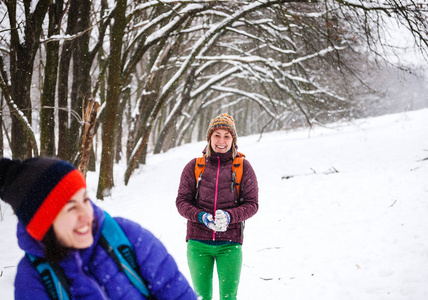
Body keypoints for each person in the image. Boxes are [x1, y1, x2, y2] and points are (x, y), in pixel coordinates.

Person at [0, 156, 197, 299]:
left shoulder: (126, 237)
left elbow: (178, 294)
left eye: (85, 200)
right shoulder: (34, 279)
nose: (87, 215)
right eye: (71, 208)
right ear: (44, 224)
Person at [176, 113, 259, 300]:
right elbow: (182, 202)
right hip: (198, 244)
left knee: (228, 297)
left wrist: (230, 216)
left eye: (226, 136)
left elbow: (252, 204)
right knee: (201, 297)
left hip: (230, 244)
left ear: (233, 140)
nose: (221, 141)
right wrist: (201, 217)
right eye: (217, 135)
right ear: (209, 138)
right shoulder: (195, 166)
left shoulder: (243, 167)